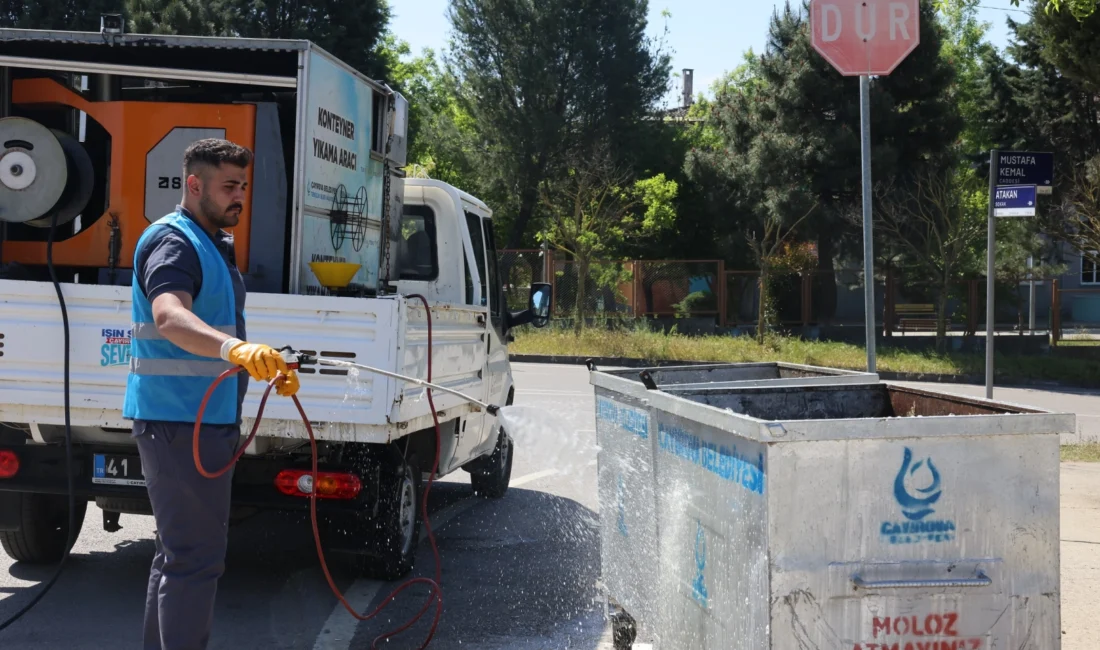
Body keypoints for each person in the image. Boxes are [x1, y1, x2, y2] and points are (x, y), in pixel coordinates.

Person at [122, 138, 299, 650]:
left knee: (177, 555)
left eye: (243, 186)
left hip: (194, 421)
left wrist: (262, 364)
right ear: (193, 184)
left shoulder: (210, 241)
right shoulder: (174, 242)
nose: (238, 196)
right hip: (179, 423)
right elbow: (169, 315)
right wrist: (236, 350)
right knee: (195, 560)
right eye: (228, 186)